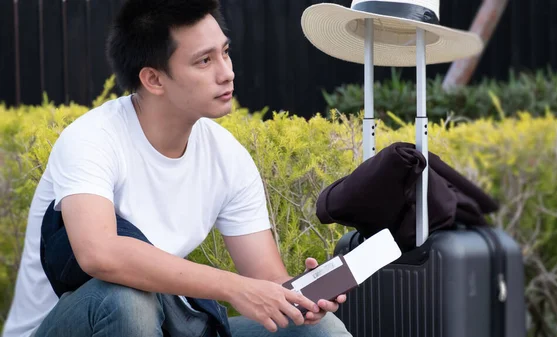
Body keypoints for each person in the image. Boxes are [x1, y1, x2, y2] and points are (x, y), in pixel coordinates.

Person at [1, 0, 352, 336]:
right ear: (154, 79)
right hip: (70, 324)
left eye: (225, 52)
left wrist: (297, 296)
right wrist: (233, 288)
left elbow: (264, 277)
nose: (227, 72)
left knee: (319, 329)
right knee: (126, 302)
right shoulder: (92, 138)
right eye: (204, 61)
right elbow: (100, 253)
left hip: (174, 324)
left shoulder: (226, 156)